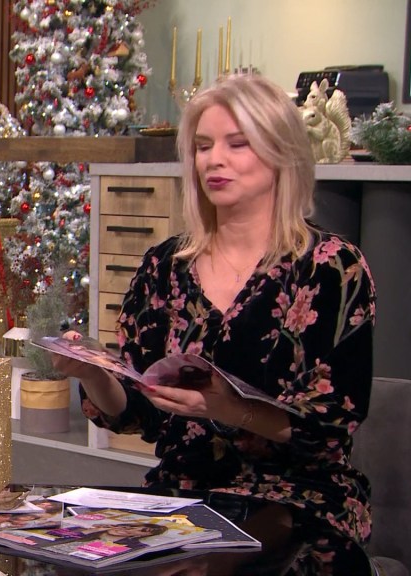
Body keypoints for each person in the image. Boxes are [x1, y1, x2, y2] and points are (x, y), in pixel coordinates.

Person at [52, 74, 375, 544]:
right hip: (184, 494)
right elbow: (138, 414)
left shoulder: (333, 269)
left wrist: (230, 409)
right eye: (203, 146)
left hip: (300, 500)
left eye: (237, 144)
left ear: (281, 153)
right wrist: (94, 374)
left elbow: (328, 428)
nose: (213, 159)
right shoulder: (165, 266)